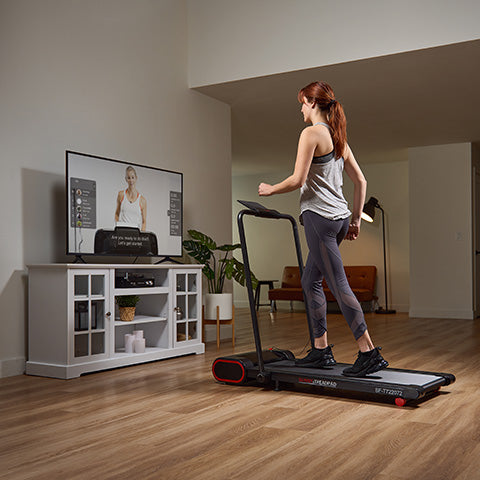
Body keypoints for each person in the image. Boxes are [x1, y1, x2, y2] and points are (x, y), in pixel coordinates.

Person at [258, 81, 388, 377]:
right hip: (340, 220)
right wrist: (354, 220)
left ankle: (368, 352)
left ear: (313, 103)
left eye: (302, 103)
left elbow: (297, 179)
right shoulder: (338, 137)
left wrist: (270, 189)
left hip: (319, 220)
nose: (301, 109)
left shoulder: (311, 133)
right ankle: (320, 351)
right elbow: (361, 182)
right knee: (309, 281)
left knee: (338, 285)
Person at [115, 166, 147, 231]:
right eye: (129, 178)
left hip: (135, 234)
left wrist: (142, 236)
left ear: (136, 178)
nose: (131, 180)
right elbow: (116, 214)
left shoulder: (142, 200)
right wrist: (117, 228)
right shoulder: (121, 195)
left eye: (133, 177)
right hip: (123, 232)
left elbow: (144, 222)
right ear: (126, 179)